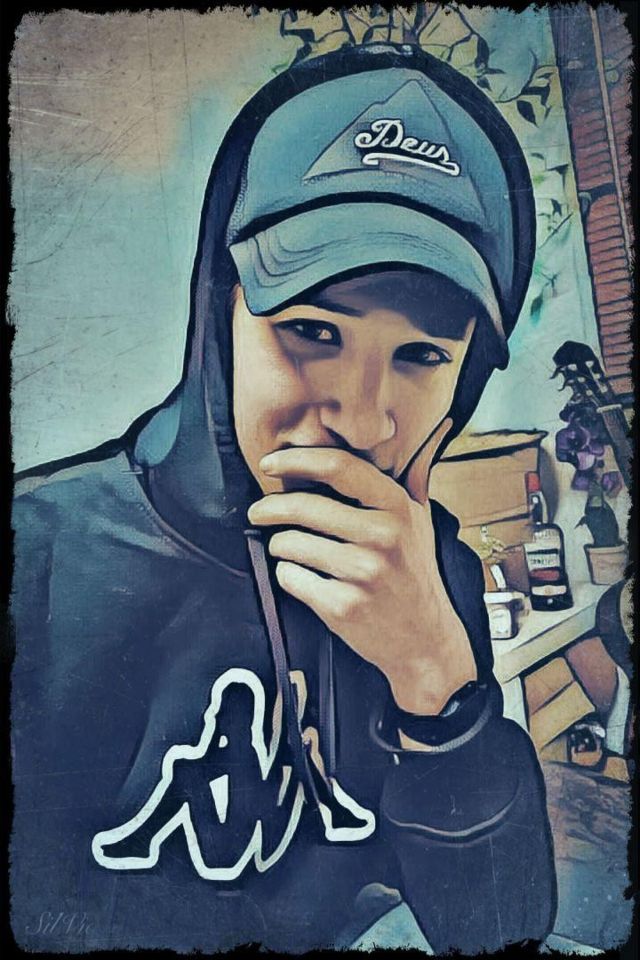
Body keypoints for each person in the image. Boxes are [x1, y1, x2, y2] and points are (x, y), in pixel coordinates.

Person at [10, 42, 557, 953]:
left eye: (422, 355)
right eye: (311, 329)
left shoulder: (432, 578)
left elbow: (497, 935)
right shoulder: (38, 558)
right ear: (218, 316)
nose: (362, 420)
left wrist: (438, 684)